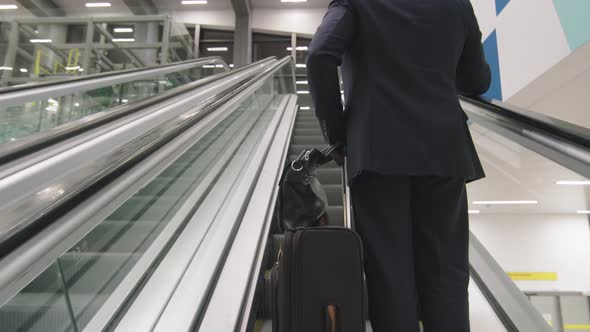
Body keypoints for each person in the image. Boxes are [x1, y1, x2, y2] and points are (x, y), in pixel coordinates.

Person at [306, 0, 491, 331]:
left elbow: (320, 55)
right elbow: (477, 80)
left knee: (389, 274)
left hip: (378, 151)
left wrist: (338, 135)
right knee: (447, 273)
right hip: (444, 148)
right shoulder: (457, 4)